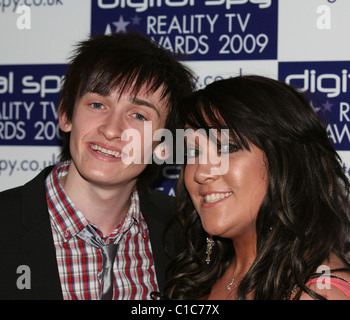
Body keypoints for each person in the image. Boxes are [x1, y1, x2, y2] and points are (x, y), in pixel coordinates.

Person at [0, 32, 194, 300]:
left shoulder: (186, 234)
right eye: (97, 104)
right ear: (66, 115)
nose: (112, 129)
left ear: (164, 145)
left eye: (138, 115)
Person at [163, 75, 350, 300]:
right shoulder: (202, 274)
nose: (201, 172)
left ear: (285, 161)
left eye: (227, 148)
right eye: (194, 152)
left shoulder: (317, 292)